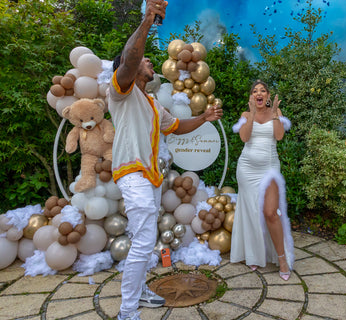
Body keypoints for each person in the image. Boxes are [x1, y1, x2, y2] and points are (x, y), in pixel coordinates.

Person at [107, 1, 223, 319]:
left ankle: (139, 291)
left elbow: (177, 126)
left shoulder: (153, 103)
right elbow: (130, 60)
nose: (148, 61)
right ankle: (127, 311)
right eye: (143, 59)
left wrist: (206, 117)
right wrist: (146, 21)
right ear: (127, 70)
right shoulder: (122, 92)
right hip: (133, 172)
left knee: (143, 238)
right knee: (144, 240)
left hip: (153, 177)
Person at [230, 79, 295, 281]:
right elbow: (244, 138)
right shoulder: (245, 115)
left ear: (267, 96)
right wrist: (250, 115)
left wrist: (275, 114)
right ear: (252, 96)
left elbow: (279, 136)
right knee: (250, 212)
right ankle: (254, 255)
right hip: (247, 169)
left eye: (263, 90)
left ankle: (282, 259)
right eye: (255, 91)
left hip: (269, 170)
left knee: (270, 213)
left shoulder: (277, 113)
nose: (259, 93)